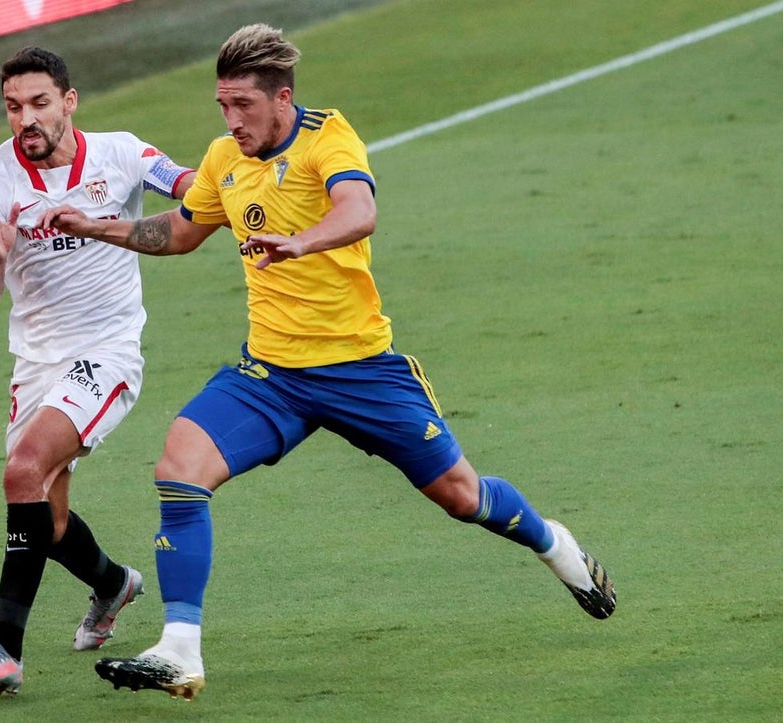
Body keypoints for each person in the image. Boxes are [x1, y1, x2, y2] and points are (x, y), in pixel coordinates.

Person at [40, 24, 616, 701]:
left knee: (463, 496)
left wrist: (302, 243)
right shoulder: (226, 157)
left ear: (281, 98)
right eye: (222, 106)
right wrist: (94, 226)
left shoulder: (327, 136)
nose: (231, 121)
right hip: (272, 376)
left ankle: (555, 543)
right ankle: (180, 649)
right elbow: (178, 231)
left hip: (362, 370)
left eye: (243, 107)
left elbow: (360, 210)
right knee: (179, 467)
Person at [0, 46, 196, 696]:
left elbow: (196, 190)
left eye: (37, 103)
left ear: (69, 101)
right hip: (35, 362)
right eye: (12, 107)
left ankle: (4, 648)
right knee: (47, 519)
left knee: (22, 470)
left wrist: (108, 223)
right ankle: (113, 583)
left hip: (108, 352)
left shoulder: (121, 154)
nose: (24, 119)